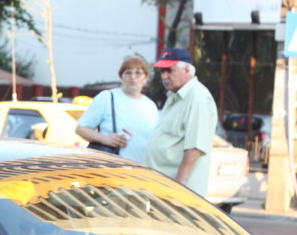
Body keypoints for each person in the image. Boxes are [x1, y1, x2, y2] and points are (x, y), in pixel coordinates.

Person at [145, 48, 218, 195]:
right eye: (162, 71)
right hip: (160, 185)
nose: (164, 76)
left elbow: (195, 146)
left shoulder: (197, 97)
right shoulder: (174, 95)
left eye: (170, 70)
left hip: (177, 191)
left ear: (187, 70)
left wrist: (179, 184)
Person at [75, 56, 159, 162]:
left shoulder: (150, 105)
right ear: (121, 77)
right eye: (128, 72)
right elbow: (81, 129)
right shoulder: (107, 97)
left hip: (142, 169)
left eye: (138, 73)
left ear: (146, 78)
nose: (133, 77)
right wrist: (105, 139)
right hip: (113, 168)